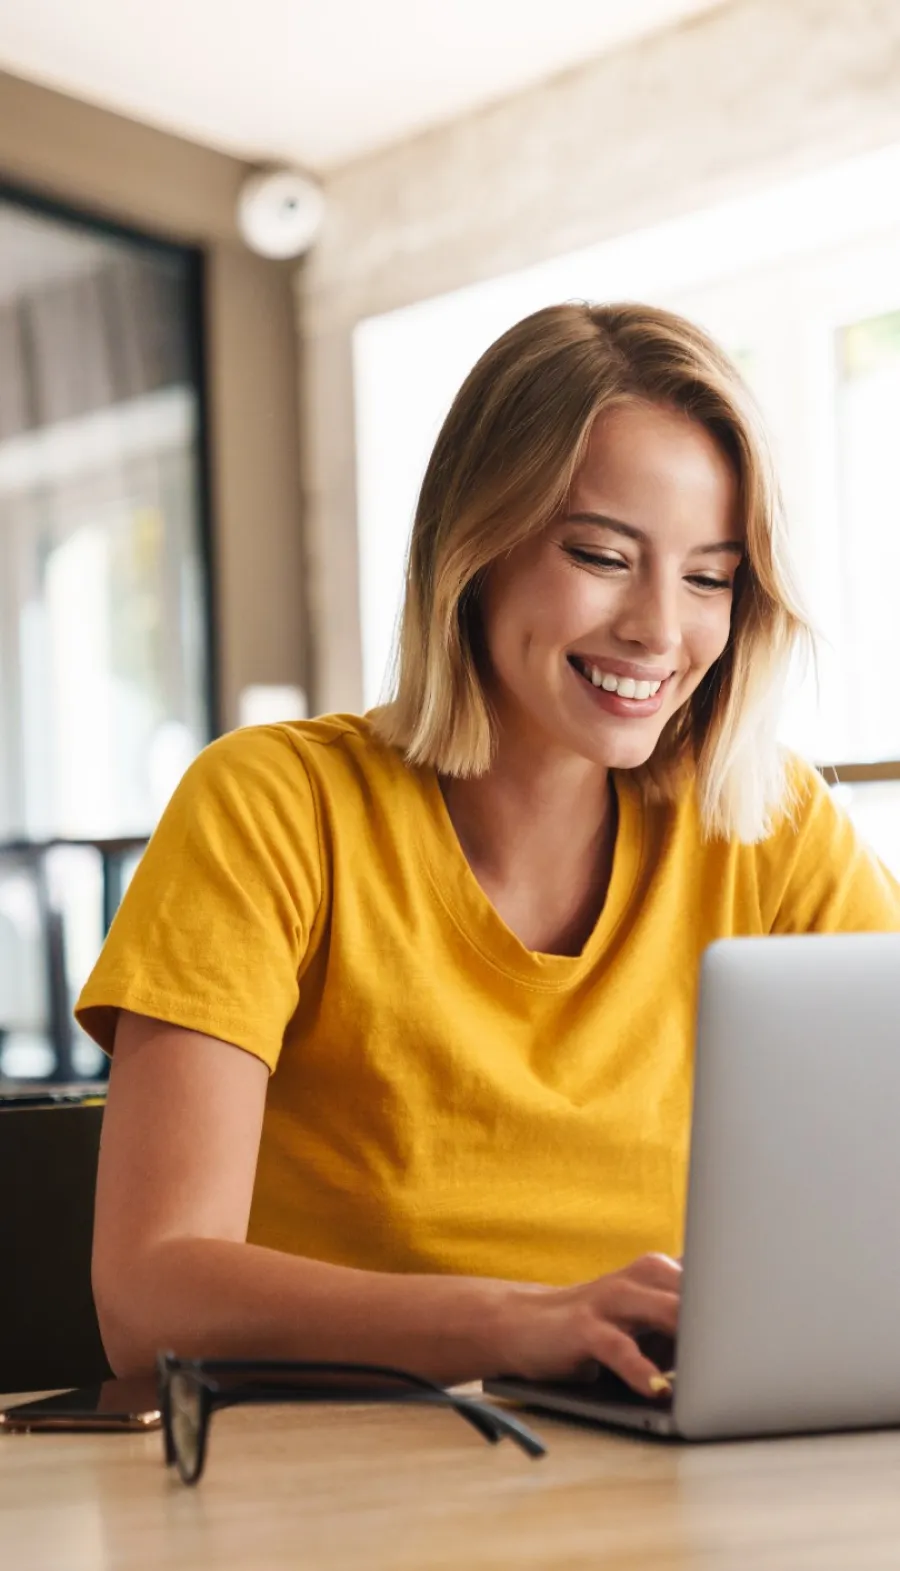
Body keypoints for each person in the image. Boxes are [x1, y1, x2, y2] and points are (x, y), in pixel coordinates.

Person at [77, 302, 900, 1401]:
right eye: (604, 555)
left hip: (659, 1469)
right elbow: (148, 1299)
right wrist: (524, 1322)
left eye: (709, 576)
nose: (661, 629)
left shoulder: (771, 828)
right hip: (335, 1481)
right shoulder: (273, 805)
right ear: (474, 547)